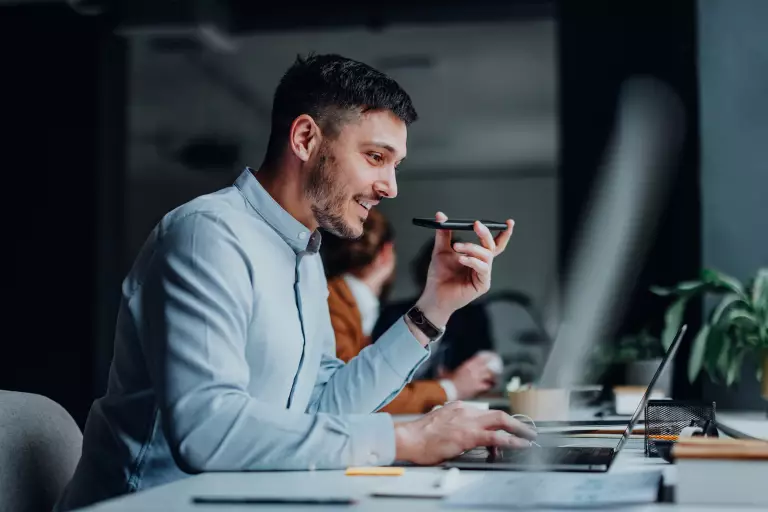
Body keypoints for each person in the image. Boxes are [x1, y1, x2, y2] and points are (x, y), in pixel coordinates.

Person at [55, 54, 533, 511]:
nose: (391, 186)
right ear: (305, 138)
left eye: (395, 165)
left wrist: (435, 308)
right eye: (375, 156)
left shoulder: (304, 256)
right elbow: (206, 429)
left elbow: (323, 405)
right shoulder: (207, 234)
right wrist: (406, 438)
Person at [321, 209, 498, 413]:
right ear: (387, 252)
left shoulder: (353, 306)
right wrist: (451, 388)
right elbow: (356, 395)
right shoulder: (334, 304)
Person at [374, 238, 497, 378]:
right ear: (424, 270)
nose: (448, 279)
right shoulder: (392, 313)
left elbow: (489, 364)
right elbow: (378, 370)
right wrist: (447, 386)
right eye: (441, 270)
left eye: (456, 272)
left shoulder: (473, 316)